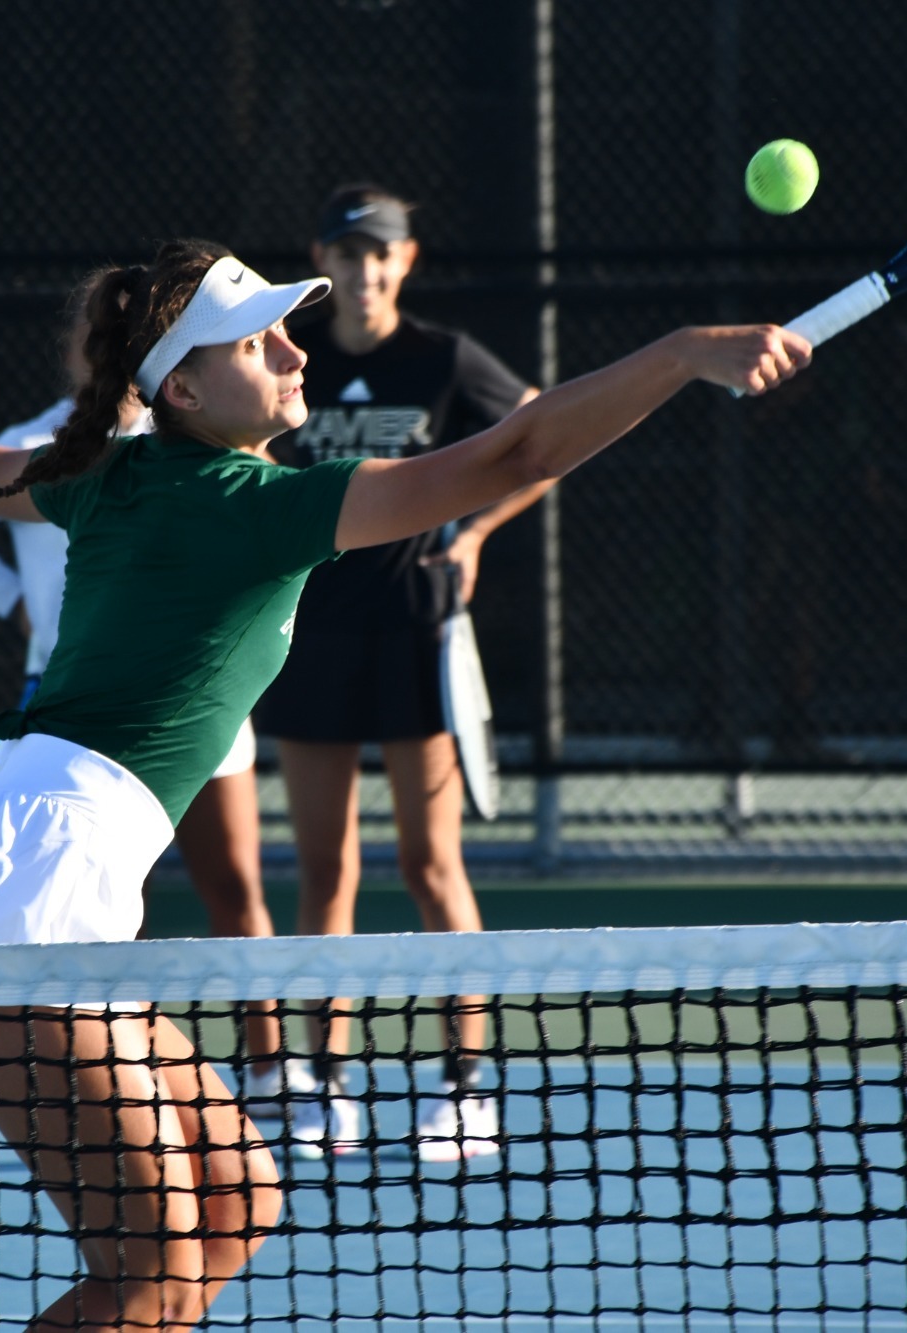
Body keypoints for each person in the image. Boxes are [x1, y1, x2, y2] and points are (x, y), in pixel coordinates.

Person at [0, 238, 806, 1332]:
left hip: (39, 868)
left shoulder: (111, 478)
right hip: (30, 879)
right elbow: (510, 456)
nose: (296, 353)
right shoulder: (247, 508)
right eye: (260, 341)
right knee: (148, 1266)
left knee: (237, 1201)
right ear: (184, 390)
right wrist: (679, 353)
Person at [0, 279, 306, 1102]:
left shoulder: (198, 442)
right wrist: (11, 600)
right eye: (101, 334)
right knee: (99, 903)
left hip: (197, 709)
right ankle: (110, 1069)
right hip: (78, 727)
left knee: (235, 888)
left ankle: (270, 1064)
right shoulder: (50, 449)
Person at [259, 184, 550, 1161]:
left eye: (379, 252)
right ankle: (323, 1087)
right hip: (310, 638)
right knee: (325, 871)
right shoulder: (286, 355)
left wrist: (472, 534)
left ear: (405, 260)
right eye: (346, 252)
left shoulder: (443, 359)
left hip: (416, 634)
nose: (362, 268)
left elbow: (541, 441)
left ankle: (464, 1088)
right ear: (321, 258)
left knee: (431, 867)